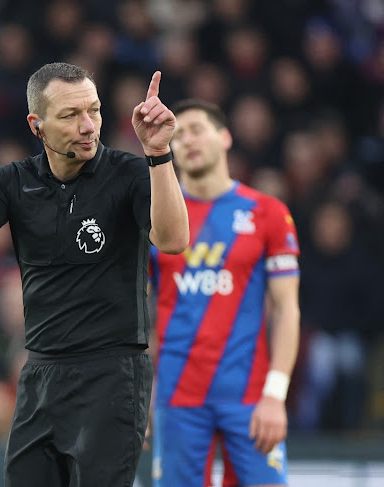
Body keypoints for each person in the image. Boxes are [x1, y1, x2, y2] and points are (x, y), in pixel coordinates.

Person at [0, 62, 189, 486]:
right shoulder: (15, 181)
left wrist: (159, 153)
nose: (88, 126)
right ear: (38, 125)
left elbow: (174, 240)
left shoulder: (129, 173)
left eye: (95, 111)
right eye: (70, 115)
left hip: (113, 374)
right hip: (41, 373)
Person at [148, 99, 300, 487]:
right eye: (177, 135)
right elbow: (138, 313)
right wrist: (142, 391)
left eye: (197, 129)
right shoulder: (156, 220)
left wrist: (275, 395)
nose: (187, 141)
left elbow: (286, 310)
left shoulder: (268, 212)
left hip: (249, 397)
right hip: (177, 396)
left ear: (225, 137)